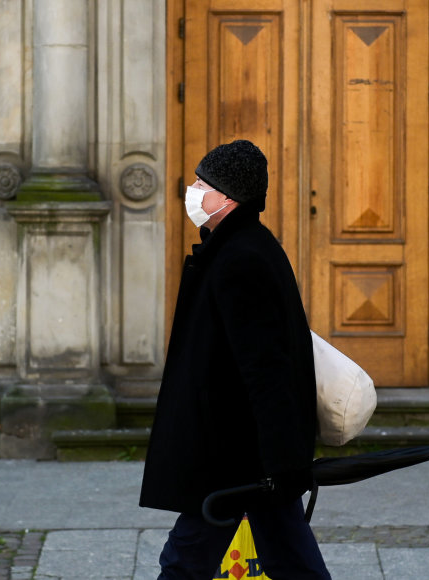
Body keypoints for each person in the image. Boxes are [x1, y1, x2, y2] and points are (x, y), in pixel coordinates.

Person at [140, 140, 331, 579]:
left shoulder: (240, 258)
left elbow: (266, 367)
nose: (191, 190)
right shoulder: (241, 247)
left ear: (226, 196)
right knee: (287, 561)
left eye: (200, 183)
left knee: (185, 563)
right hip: (245, 452)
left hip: (235, 450)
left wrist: (282, 461)